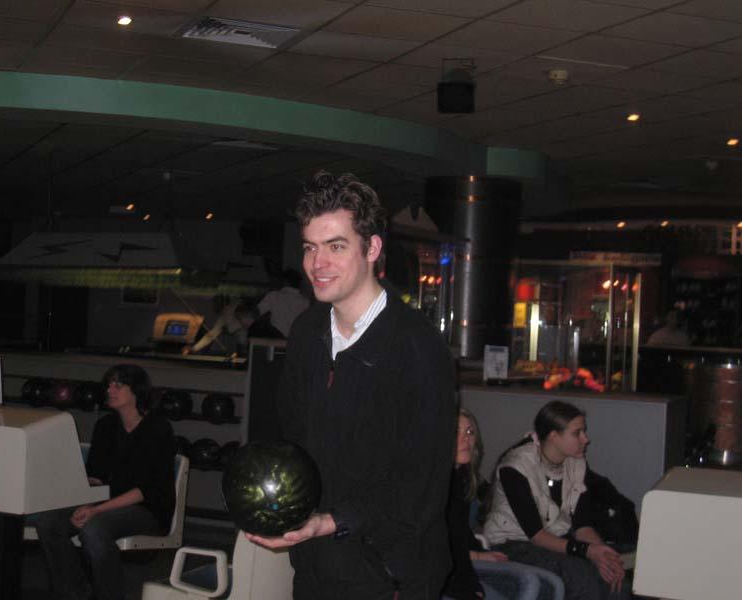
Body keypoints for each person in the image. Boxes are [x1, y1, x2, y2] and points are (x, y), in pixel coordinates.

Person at [248, 170, 457, 600]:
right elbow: (293, 444)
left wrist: (332, 521)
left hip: (389, 572)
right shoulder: (306, 332)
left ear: (372, 249)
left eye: (336, 246)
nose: (317, 264)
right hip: (315, 565)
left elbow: (421, 487)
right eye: (310, 247)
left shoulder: (417, 347)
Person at [34, 364, 175, 600]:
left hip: (147, 509)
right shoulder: (106, 426)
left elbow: (146, 491)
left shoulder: (158, 429)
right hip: (106, 503)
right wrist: (75, 493)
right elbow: (96, 477)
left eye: (118, 385)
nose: (110, 389)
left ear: (136, 391)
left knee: (94, 528)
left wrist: (95, 509)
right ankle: (75, 593)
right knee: (49, 522)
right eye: (109, 384)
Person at [483, 401, 629, 600]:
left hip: (555, 537)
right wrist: (587, 551)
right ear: (553, 436)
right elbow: (536, 535)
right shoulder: (516, 467)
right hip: (512, 543)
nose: (586, 439)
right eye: (577, 433)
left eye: (584, 432)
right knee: (580, 578)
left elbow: (582, 525)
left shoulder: (575, 463)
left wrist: (606, 556)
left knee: (615, 582)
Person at [444, 408, 564, 600]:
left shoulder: (463, 478)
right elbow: (440, 546)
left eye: (469, 432)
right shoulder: (434, 485)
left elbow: (461, 532)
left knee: (552, 584)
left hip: (467, 563)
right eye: (457, 432)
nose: (466, 438)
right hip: (446, 575)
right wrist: (476, 559)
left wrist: (481, 554)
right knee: (529, 583)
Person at [257, 268, 310, 338]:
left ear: (284, 281)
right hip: (295, 339)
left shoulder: (273, 296)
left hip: (276, 339)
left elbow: (257, 313)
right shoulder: (305, 301)